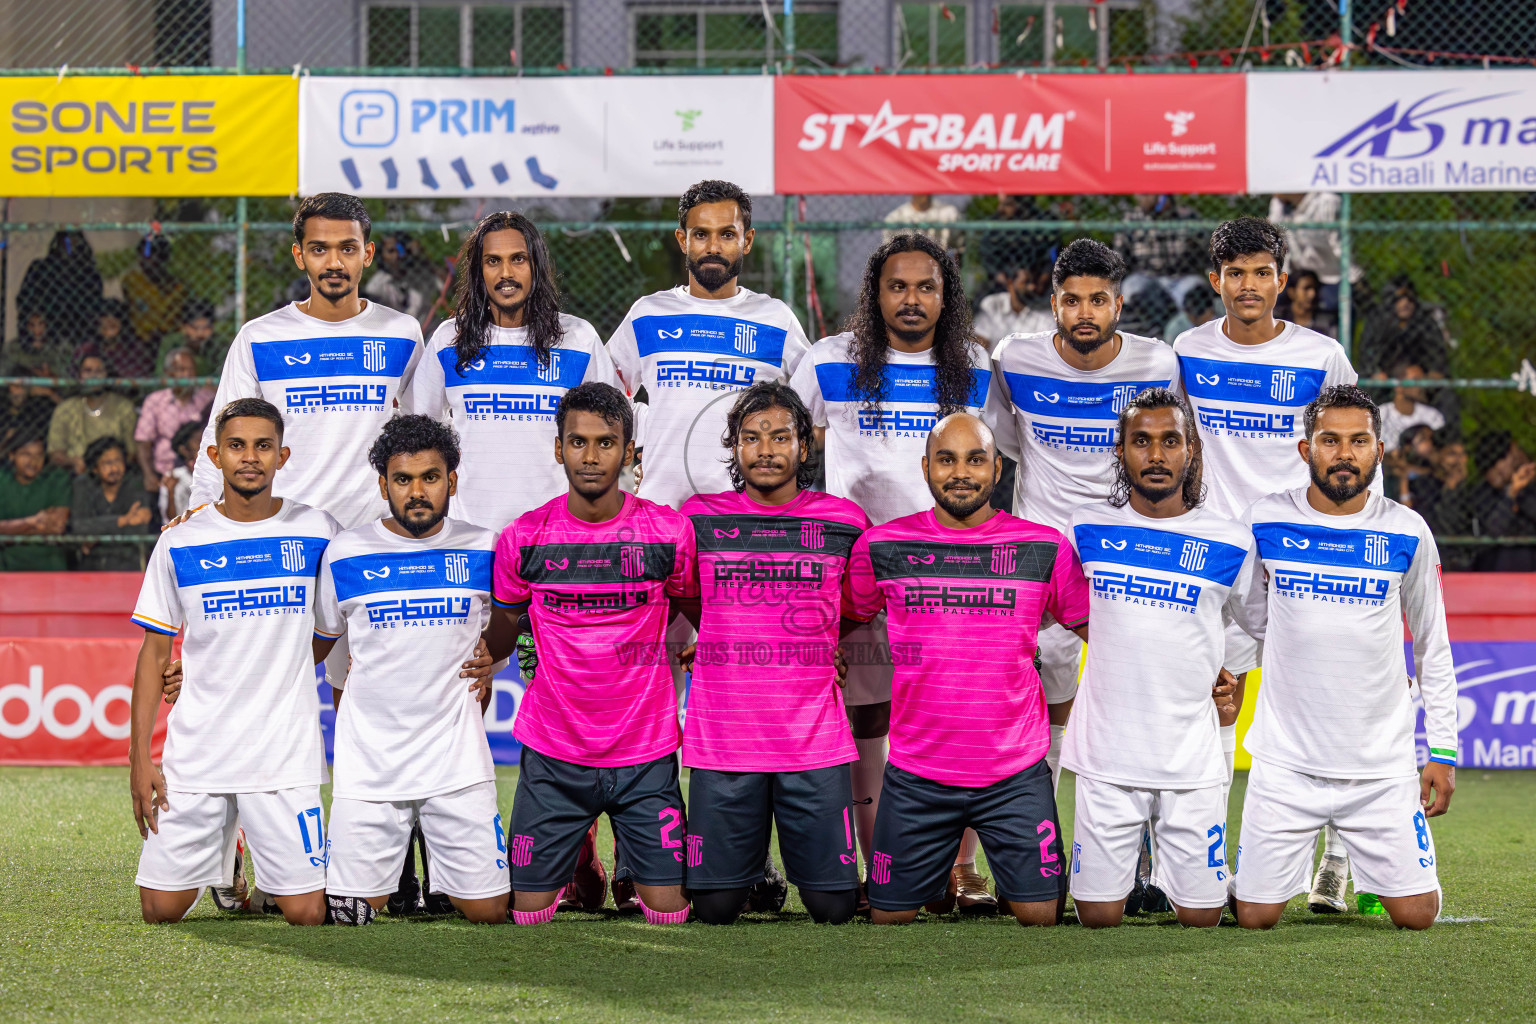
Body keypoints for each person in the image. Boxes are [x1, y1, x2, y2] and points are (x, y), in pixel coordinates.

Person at [790, 233, 1002, 912]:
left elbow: (996, 456)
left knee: (958, 713)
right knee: (867, 717)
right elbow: (787, 440)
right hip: (858, 577)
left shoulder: (974, 365)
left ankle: (962, 869)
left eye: (927, 286)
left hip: (955, 577)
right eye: (898, 286)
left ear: (947, 296)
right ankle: (880, 859)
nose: (912, 299)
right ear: (875, 293)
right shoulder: (830, 360)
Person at [1173, 216, 1368, 913]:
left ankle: (1337, 865)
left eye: (1262, 273)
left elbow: (1353, 449)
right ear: (1216, 280)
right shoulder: (1186, 350)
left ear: (1283, 281)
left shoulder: (1321, 355)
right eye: (1236, 273)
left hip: (1302, 555)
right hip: (1218, 560)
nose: (1249, 286)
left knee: (1329, 708)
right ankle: (1209, 865)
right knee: (1215, 710)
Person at [844, 412, 1088, 926]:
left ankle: (967, 871)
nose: (961, 472)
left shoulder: (1044, 548)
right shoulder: (883, 547)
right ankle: (934, 874)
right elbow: (838, 617)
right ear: (926, 467)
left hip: (1014, 775)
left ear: (997, 469)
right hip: (916, 777)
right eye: (947, 459)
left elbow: (1102, 635)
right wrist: (823, 648)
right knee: (890, 918)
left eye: (975, 459)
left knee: (1040, 916)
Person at [1235, 385, 1456, 931]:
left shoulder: (1406, 529)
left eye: (1359, 441)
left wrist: (1443, 749)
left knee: (1418, 915)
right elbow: (1246, 609)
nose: (1344, 453)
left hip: (1380, 768)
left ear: (1379, 451)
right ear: (1305, 450)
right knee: (1254, 916)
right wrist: (1297, 637)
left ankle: (1344, 858)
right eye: (1329, 440)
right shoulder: (1264, 519)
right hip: (1286, 763)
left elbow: (1432, 642)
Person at [485, 382, 695, 927]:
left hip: (644, 751)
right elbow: (506, 624)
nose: (591, 456)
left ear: (628, 450)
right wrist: (487, 659)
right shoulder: (524, 537)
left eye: (606, 443)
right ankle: (584, 868)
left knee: (667, 913)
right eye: (578, 442)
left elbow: (693, 608)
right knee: (528, 914)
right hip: (555, 753)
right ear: (558, 449)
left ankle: (626, 865)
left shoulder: (668, 532)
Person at [128, 397, 339, 925]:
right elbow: (153, 654)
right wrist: (138, 759)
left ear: (283, 455)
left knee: (306, 914)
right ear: (215, 455)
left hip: (281, 752)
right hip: (199, 752)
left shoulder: (318, 531)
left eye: (263, 446)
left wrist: (284, 662)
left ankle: (268, 870)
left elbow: (332, 628)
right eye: (238, 446)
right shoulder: (180, 539)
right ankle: (231, 865)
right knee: (159, 910)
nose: (250, 458)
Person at [1064, 389, 1262, 928]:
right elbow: (1047, 609)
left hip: (1191, 758)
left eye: (1170, 441)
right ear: (1121, 451)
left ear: (1191, 450)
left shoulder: (1230, 540)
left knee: (1201, 917)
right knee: (1098, 918)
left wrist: (1229, 671)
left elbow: (1269, 625)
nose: (1156, 455)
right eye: (1142, 442)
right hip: (1107, 756)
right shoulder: (1083, 529)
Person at [990, 239, 1181, 795]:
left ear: (1119, 306)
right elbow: (1008, 443)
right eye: (1072, 301)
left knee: (1137, 690)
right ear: (1054, 304)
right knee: (1046, 695)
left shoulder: (1157, 363)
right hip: (1045, 554)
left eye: (1098, 300)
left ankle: (1145, 853)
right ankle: (1038, 834)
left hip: (1125, 551)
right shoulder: (1015, 359)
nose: (1085, 313)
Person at [676, 382, 868, 926]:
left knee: (833, 908)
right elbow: (688, 595)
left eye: (780, 437)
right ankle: (752, 866)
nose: (765, 450)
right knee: (714, 909)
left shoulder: (844, 521)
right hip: (724, 739)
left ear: (804, 446)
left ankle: (774, 865)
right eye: (751, 438)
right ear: (733, 447)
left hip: (813, 741)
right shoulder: (698, 517)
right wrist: (717, 636)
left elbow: (858, 604)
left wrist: (825, 643)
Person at [315, 415, 507, 926]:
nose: (416, 491)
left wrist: (495, 659)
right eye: (403, 480)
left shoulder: (485, 547)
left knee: (489, 912)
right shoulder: (346, 552)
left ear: (453, 481)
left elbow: (509, 629)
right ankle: (396, 868)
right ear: (383, 484)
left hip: (456, 758)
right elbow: (324, 643)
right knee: (349, 913)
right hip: (371, 765)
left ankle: (442, 871)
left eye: (430, 477)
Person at [407, 211, 620, 532]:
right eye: (493, 261)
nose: (506, 273)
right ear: (479, 271)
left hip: (557, 534)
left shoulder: (578, 339)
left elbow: (610, 433)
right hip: (469, 535)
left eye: (518, 259)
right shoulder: (448, 340)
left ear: (537, 266)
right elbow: (419, 436)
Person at [608, 180, 811, 509]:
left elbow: (808, 409)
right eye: (701, 234)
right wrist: (644, 434)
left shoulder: (776, 319)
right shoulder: (647, 314)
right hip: (661, 511)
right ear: (682, 240)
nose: (713, 246)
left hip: (744, 515)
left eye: (727, 234)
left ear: (747, 240)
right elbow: (606, 394)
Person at [69, 436, 159, 570]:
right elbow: (79, 526)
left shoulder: (135, 486)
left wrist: (95, 536)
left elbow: (139, 528)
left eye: (118, 461)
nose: (114, 468)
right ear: (95, 468)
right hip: (93, 565)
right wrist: (121, 521)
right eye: (107, 463)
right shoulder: (83, 486)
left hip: (127, 562)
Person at [135, 348, 214, 490]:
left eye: (191, 370)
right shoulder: (155, 401)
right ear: (169, 373)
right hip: (164, 472)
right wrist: (148, 475)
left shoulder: (206, 399)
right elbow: (143, 442)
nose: (188, 375)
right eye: (181, 370)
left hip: (200, 472)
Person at [47, 354, 138, 475]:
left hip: (113, 473)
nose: (93, 376)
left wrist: (111, 464)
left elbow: (132, 452)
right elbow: (55, 452)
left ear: (107, 375)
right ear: (80, 375)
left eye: (99, 371)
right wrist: (72, 462)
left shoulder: (123, 407)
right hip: (74, 474)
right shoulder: (65, 409)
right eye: (88, 371)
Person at [0, 430, 70, 571]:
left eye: (39, 455)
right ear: (12, 455)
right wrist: (32, 522)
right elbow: (45, 526)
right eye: (26, 454)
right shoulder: (2, 480)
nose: (33, 461)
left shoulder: (56, 479)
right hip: (7, 562)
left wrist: (9, 528)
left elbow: (57, 526)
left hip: (47, 562)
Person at [16, 230, 103, 344]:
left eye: (73, 241)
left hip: (79, 330)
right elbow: (25, 299)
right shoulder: (41, 268)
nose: (69, 246)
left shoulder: (89, 272)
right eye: (65, 241)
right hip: (48, 329)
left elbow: (95, 303)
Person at [1357, 277, 1450, 379]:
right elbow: (1368, 353)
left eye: (1410, 298)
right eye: (1399, 298)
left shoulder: (1424, 323)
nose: (1405, 303)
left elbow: (1437, 357)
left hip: (1418, 377)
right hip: (1385, 377)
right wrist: (1375, 372)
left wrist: (1432, 375)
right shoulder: (1378, 323)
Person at [1469, 432, 1536, 573]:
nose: (1516, 461)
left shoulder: (1527, 487)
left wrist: (1519, 490)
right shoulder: (1481, 493)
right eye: (1512, 457)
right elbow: (1494, 530)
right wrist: (1511, 494)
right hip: (1495, 566)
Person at [121, 233, 187, 345]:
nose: (147, 262)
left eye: (153, 257)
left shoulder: (176, 286)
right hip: (138, 338)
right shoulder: (132, 281)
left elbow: (173, 317)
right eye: (144, 256)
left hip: (166, 337)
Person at [972, 265, 1054, 346]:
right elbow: (980, 341)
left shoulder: (1046, 314)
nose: (1032, 287)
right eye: (1026, 282)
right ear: (1010, 284)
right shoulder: (993, 303)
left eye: (1034, 282)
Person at [1377, 361, 1446, 452]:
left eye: (1423, 380)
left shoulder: (1432, 416)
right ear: (1398, 386)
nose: (1422, 385)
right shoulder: (1379, 416)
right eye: (1416, 380)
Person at [82, 298, 156, 379]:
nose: (109, 320)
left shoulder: (134, 348)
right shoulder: (88, 348)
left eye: (115, 316)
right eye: (104, 316)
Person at [159, 298, 221, 376]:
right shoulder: (171, 342)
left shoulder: (219, 344)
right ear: (183, 327)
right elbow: (159, 374)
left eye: (206, 327)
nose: (200, 333)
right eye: (195, 328)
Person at [161, 420, 205, 522]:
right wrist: (170, 493)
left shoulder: (219, 473)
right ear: (184, 450)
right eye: (199, 441)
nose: (204, 443)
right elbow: (171, 519)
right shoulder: (174, 477)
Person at [883, 194, 960, 251]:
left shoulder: (949, 213)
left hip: (941, 263)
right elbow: (888, 249)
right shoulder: (895, 218)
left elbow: (959, 244)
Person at [1275, 269, 1336, 339]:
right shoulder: (1276, 318)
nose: (1312, 294)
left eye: (1315, 288)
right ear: (1292, 292)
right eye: (1306, 288)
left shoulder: (1327, 321)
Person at [2, 380, 55, 454]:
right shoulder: (3, 410)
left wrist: (49, 393)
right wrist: (7, 439)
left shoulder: (36, 408)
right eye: (16, 386)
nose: (19, 391)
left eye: (22, 387)